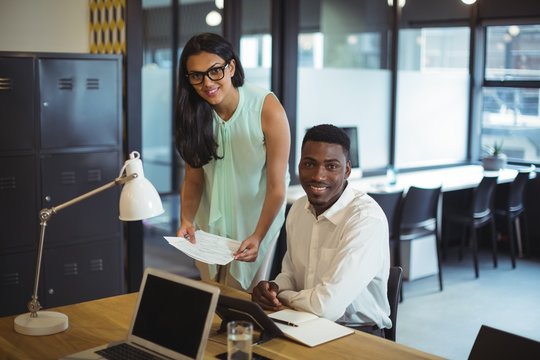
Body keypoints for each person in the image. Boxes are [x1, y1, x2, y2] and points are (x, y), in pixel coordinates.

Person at [174, 33, 290, 291]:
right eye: (196, 76)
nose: (207, 83)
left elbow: (276, 187)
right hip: (209, 221)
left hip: (256, 219)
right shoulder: (193, 112)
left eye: (215, 71)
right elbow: (193, 178)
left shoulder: (267, 109)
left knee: (244, 301)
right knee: (214, 298)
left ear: (231, 67)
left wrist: (258, 236)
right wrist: (186, 220)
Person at [251, 124, 391, 337]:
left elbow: (326, 307)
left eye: (331, 166)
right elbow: (291, 274)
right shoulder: (298, 209)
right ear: (299, 166)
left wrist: (285, 296)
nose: (318, 175)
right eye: (309, 164)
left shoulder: (365, 219)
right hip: (303, 321)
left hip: (358, 334)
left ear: (347, 170)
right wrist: (273, 289)